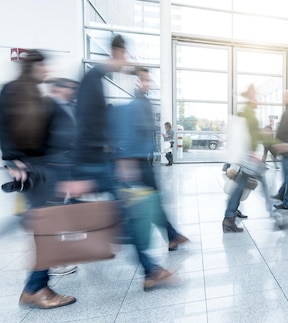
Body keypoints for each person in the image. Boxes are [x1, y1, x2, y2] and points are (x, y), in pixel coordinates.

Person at [72, 35, 173, 289]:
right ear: (117, 53)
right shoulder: (93, 79)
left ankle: (150, 269)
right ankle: (37, 281)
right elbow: (85, 125)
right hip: (94, 162)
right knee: (119, 212)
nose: (126, 61)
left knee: (124, 212)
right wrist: (78, 173)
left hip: (99, 160)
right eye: (126, 55)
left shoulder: (97, 80)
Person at [0, 50, 77, 309]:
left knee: (45, 228)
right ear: (34, 66)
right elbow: (4, 125)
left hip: (43, 169)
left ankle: (36, 286)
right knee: (47, 229)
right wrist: (12, 158)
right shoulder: (12, 91)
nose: (47, 71)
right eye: (45, 66)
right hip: (34, 171)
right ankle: (35, 288)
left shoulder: (38, 95)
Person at [113, 67, 189, 252]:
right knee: (150, 202)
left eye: (149, 80)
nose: (149, 83)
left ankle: (172, 236)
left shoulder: (143, 102)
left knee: (153, 201)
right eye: (145, 80)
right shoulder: (136, 105)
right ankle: (170, 237)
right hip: (138, 163)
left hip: (145, 161)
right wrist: (127, 163)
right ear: (137, 82)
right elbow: (130, 133)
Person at [46, 78, 80, 277]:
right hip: (54, 167)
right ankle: (54, 262)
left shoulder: (71, 107)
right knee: (53, 213)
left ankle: (65, 253)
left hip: (68, 167)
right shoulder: (48, 107)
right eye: (70, 87)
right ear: (58, 88)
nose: (73, 91)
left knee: (67, 212)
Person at [223, 84, 262, 232]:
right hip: (245, 158)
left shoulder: (246, 112)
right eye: (256, 97)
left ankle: (232, 213)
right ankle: (229, 217)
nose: (259, 100)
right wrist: (253, 153)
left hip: (244, 157)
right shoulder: (249, 114)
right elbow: (249, 137)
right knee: (239, 188)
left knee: (239, 188)